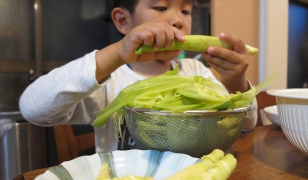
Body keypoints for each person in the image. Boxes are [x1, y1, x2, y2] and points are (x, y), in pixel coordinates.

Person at [19, 0, 257, 153]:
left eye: (186, 11)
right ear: (124, 21)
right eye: (162, 8)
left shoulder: (197, 73)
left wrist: (236, 82)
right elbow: (32, 109)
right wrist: (115, 54)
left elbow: (246, 124)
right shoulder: (110, 83)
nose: (178, 20)